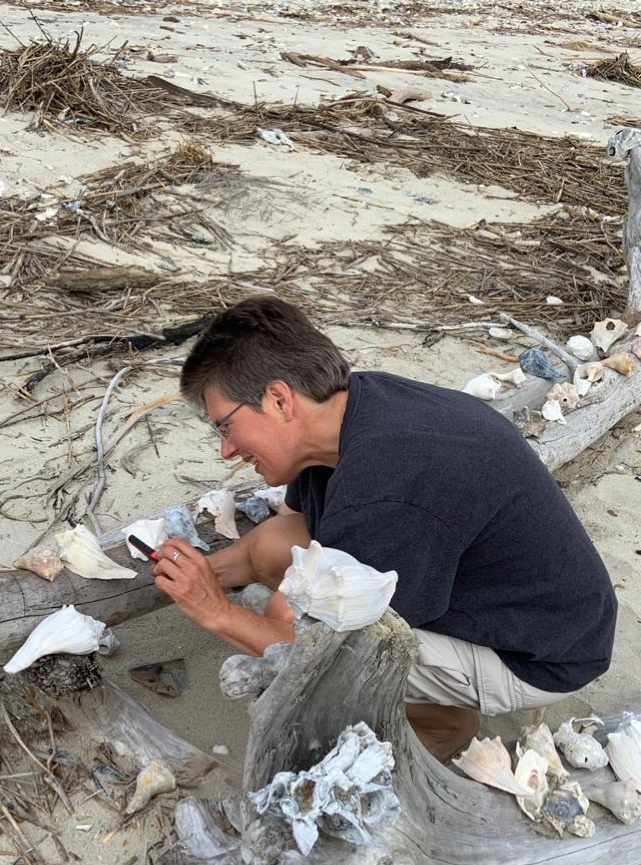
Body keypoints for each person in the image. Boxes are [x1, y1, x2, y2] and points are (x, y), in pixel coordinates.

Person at [150, 297, 618, 759]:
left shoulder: (387, 485)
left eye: (225, 428)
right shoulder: (354, 408)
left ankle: (440, 722)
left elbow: (327, 654)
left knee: (302, 654)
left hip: (536, 655)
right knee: (277, 548)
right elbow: (287, 531)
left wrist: (217, 612)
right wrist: (200, 572)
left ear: (278, 399)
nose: (225, 450)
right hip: (512, 593)